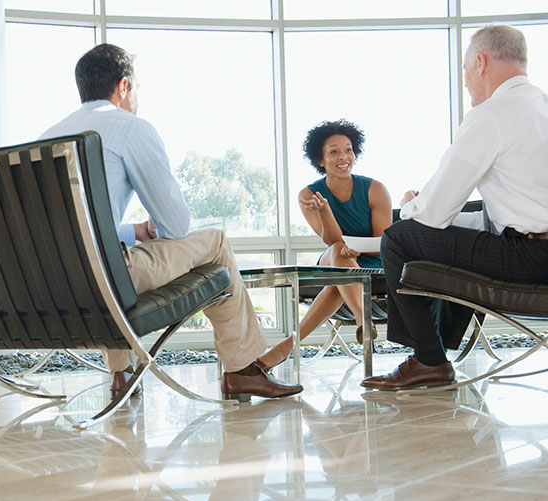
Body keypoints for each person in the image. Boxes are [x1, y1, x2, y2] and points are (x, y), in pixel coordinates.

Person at [40, 43, 302, 401]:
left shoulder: (45, 138)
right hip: (107, 280)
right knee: (215, 242)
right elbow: (176, 226)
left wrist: (135, 232)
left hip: (50, 283)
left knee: (104, 260)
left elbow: (74, 229)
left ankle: (123, 371)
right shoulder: (130, 128)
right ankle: (242, 369)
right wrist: (155, 229)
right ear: (123, 86)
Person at [362, 25, 548, 391]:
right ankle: (436, 351)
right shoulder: (540, 106)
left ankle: (429, 360)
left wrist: (411, 205)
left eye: (465, 70)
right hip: (532, 247)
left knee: (398, 238)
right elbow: (495, 218)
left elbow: (434, 213)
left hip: (530, 256)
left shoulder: (492, 114)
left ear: (480, 62)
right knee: (458, 244)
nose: (465, 81)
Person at [256, 120, 392, 371]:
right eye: (334, 151)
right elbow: (331, 239)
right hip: (334, 258)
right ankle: (364, 320)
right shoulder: (308, 195)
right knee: (338, 251)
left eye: (348, 150)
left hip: (371, 261)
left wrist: (357, 250)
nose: (344, 157)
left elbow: (383, 244)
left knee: (337, 281)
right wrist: (326, 211)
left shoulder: (375, 189)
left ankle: (284, 349)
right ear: (320, 160)